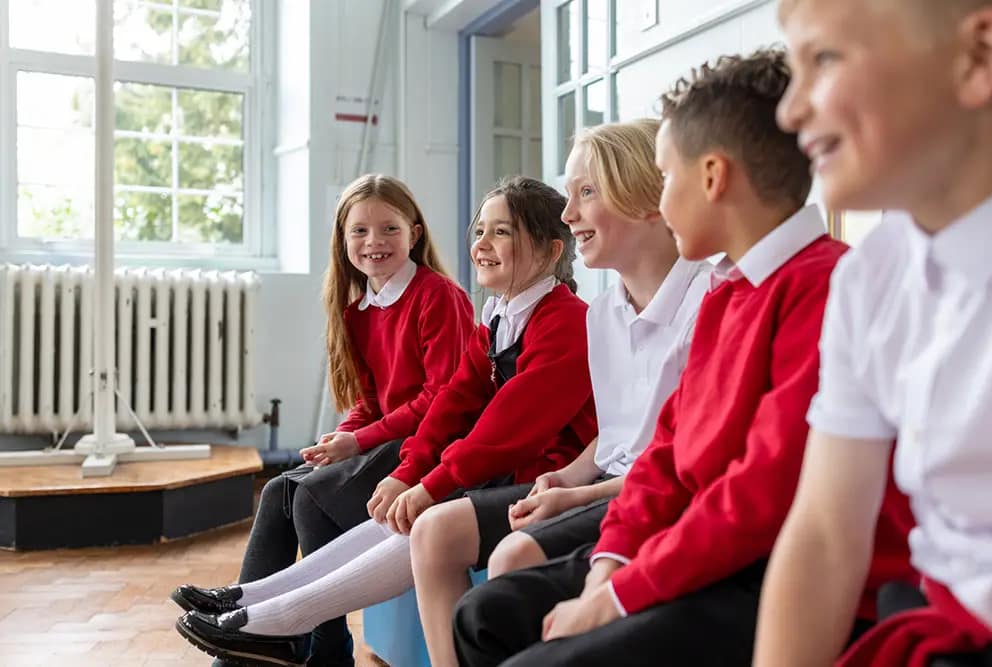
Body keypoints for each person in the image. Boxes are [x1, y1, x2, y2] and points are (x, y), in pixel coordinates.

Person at [452, 49, 915, 667]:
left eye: (665, 179)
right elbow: (667, 454)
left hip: (767, 570)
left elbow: (760, 493)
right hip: (700, 548)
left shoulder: (826, 287)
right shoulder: (728, 294)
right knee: (484, 617)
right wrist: (609, 564)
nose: (658, 200)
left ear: (713, 177)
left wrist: (617, 596)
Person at [174, 176, 598, 667]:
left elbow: (504, 427)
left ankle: (284, 621)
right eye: (480, 230)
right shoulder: (500, 315)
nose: (481, 244)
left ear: (549, 253)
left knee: (408, 514)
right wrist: (407, 471)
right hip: (502, 467)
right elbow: (455, 400)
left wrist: (428, 482)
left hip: (543, 476)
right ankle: (258, 603)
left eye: (501, 233)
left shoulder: (564, 320)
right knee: (347, 502)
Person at [408, 119, 710, 667]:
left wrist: (577, 493)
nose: (569, 216)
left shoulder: (711, 303)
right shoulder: (604, 315)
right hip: (602, 481)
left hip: (649, 496)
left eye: (585, 194)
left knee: (513, 559)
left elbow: (674, 456)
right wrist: (568, 476)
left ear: (647, 196)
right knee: (432, 532)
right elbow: (617, 432)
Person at [754, 1, 992, 665]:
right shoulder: (871, 276)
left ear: (978, 59)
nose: (789, 111)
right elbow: (827, 532)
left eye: (824, 59)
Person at [170, 173, 473, 666]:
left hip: (435, 440)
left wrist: (357, 444)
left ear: (414, 233)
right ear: (343, 239)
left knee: (308, 497)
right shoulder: (358, 310)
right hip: (390, 438)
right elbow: (371, 400)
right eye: (360, 231)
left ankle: (308, 647)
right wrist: (344, 433)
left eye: (389, 229)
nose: (374, 242)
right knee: (278, 491)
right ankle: (265, 640)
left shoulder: (437, 296)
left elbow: (442, 398)